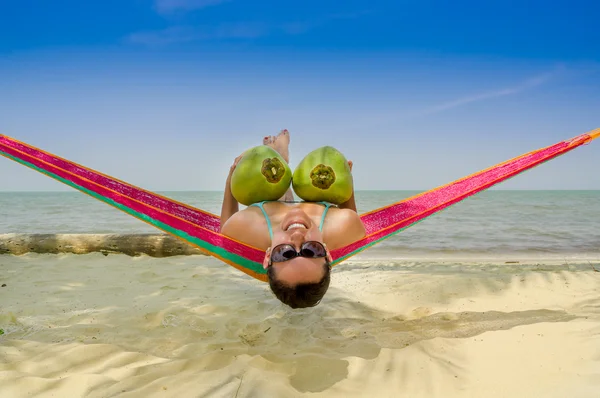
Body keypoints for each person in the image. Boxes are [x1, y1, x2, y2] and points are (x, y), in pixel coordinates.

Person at [219, 130, 366, 309]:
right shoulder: (344, 225)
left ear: (267, 256)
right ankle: (282, 157)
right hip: (314, 193)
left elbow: (224, 229)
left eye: (284, 253)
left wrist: (231, 177)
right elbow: (346, 199)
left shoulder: (246, 227)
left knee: (278, 196)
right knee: (288, 201)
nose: (297, 236)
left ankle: (280, 157)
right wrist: (346, 177)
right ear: (328, 254)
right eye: (311, 250)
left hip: (268, 195)